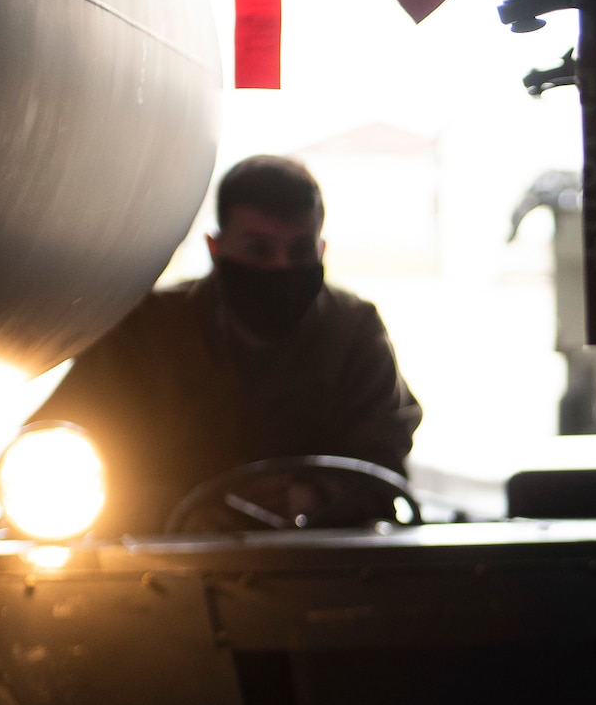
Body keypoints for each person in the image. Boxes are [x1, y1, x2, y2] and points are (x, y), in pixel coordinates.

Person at [32, 155, 421, 534]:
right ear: (215, 249)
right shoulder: (148, 330)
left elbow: (384, 462)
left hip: (319, 568)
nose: (280, 268)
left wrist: (312, 497)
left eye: (299, 251)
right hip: (166, 569)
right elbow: (60, 456)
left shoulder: (354, 331)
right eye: (259, 250)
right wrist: (180, 512)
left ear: (321, 251)